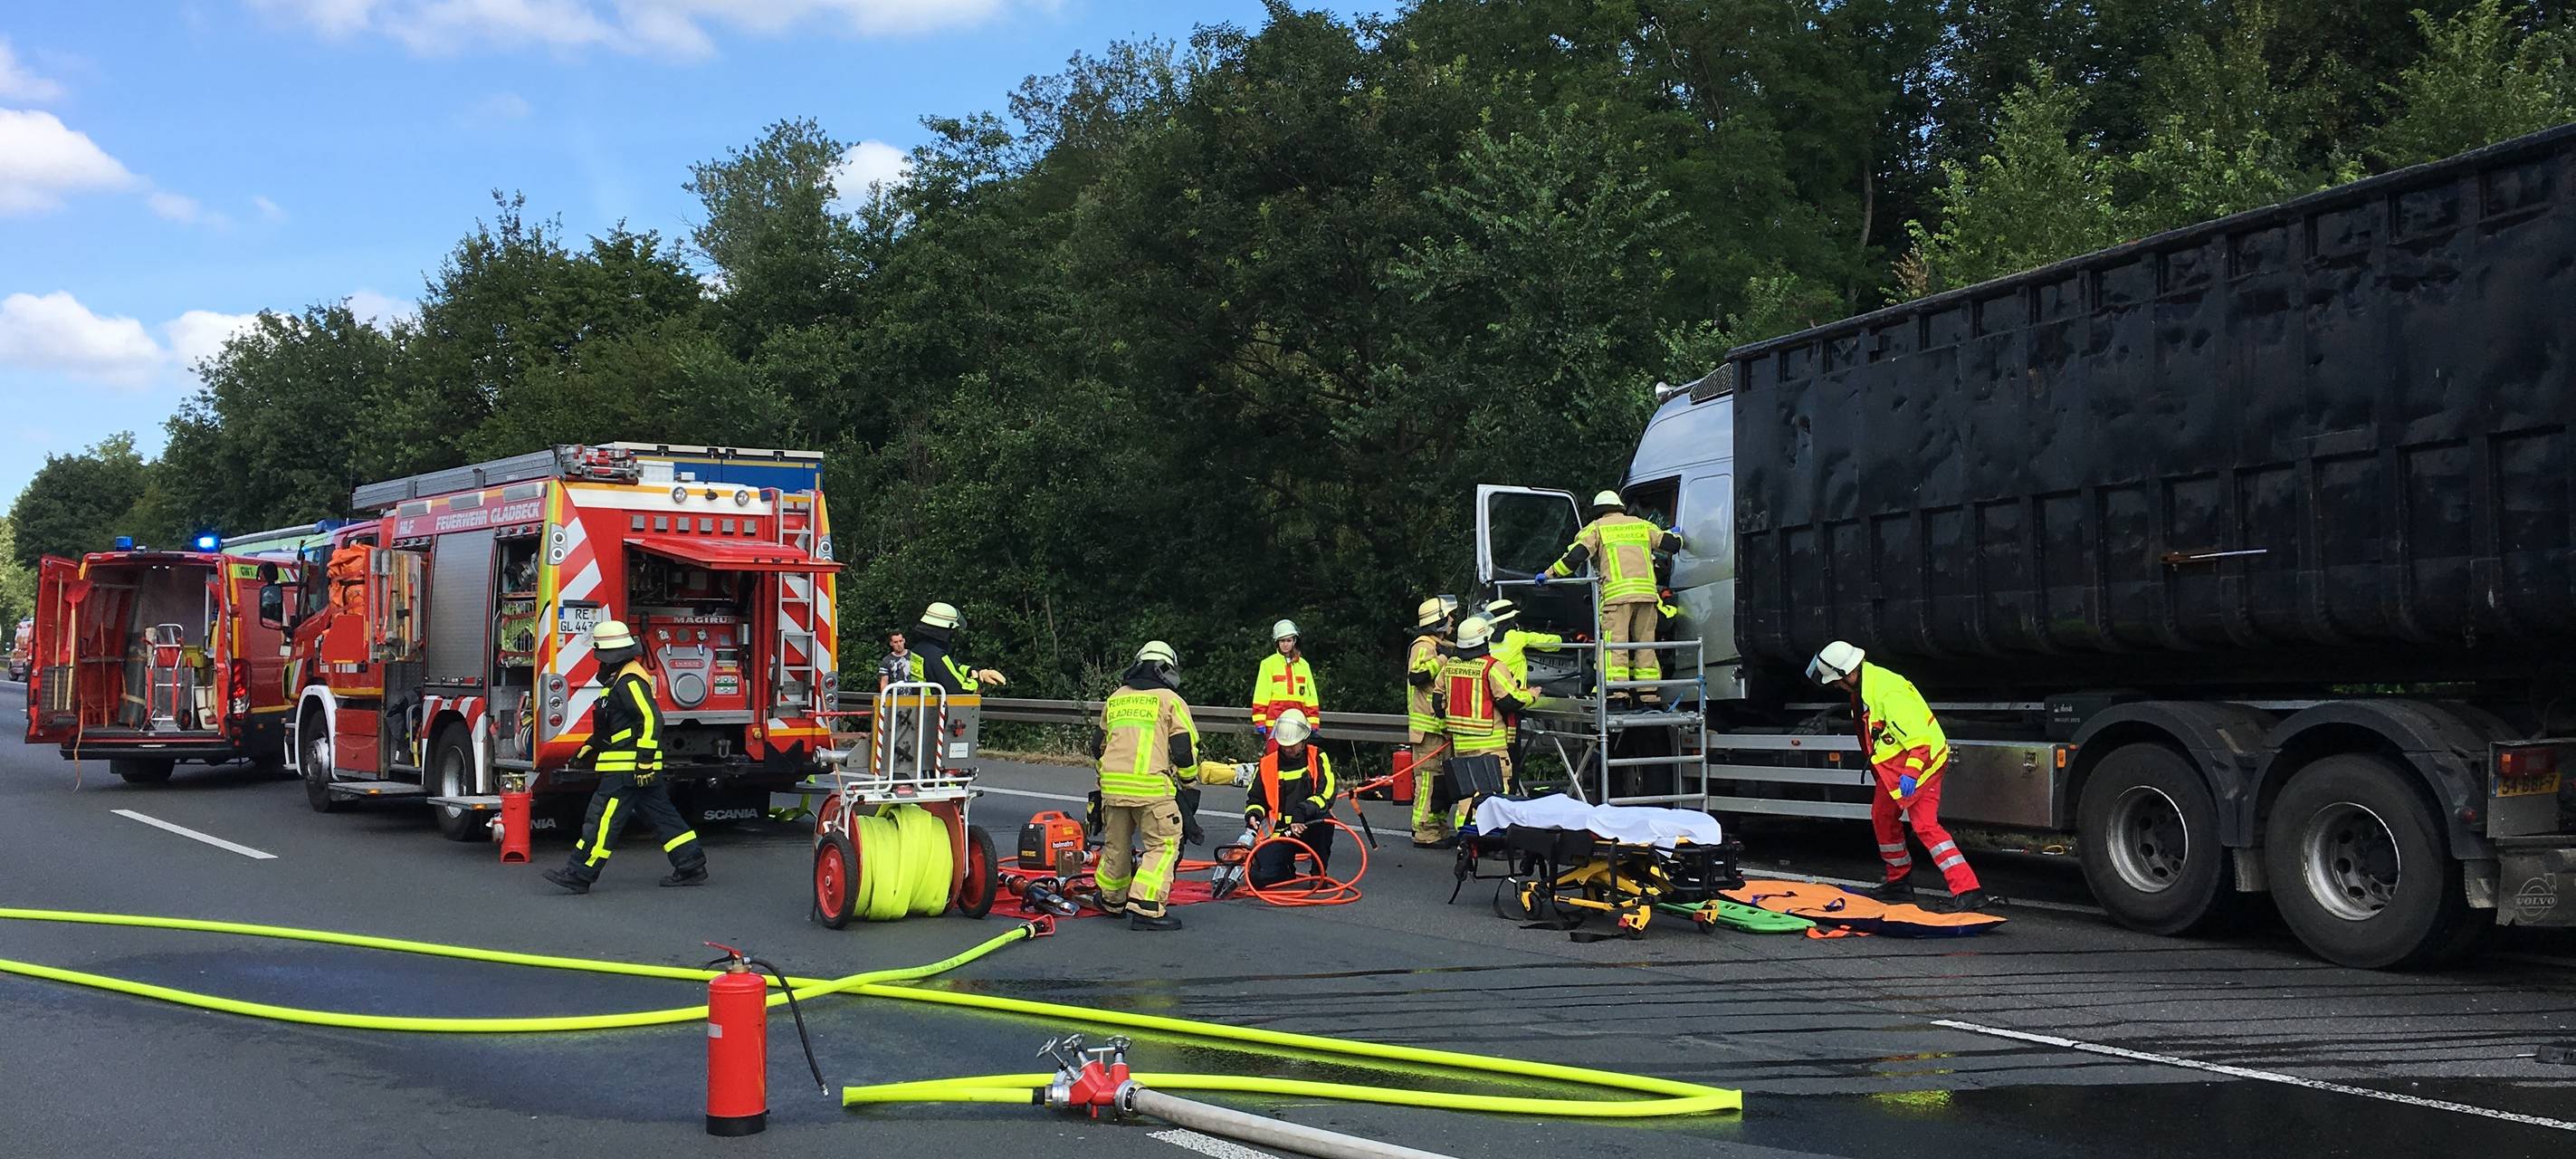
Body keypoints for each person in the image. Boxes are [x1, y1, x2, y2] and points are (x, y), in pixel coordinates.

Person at [1808, 640, 1988, 912]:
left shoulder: (1887, 692)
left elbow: (1920, 741)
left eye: (1836, 681)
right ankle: (1899, 882)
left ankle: (1968, 891)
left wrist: (1912, 774)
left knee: (1926, 826)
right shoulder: (1868, 686)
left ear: (1848, 674)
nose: (1835, 686)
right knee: (1882, 817)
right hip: (1897, 770)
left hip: (1921, 766)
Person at [544, 620, 706, 894]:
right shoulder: (620, 679)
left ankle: (580, 872)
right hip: (633, 767)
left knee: (602, 818)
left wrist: (643, 760)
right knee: (662, 816)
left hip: (628, 769)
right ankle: (690, 863)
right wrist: (586, 751)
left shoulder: (629, 681)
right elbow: (612, 729)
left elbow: (652, 719)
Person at [1091, 640, 1198, 931]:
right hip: (1151, 788)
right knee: (1163, 845)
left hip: (1112, 788)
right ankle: (1147, 905)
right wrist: (1188, 782)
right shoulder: (1169, 700)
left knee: (1117, 845)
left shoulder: (1116, 698)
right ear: (1167, 668)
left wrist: (1104, 779)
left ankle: (1112, 899)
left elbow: (1097, 744)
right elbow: (1183, 747)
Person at [1537, 491, 1683, 703]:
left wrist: (1549, 574)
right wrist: (1675, 534)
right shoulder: (1642, 525)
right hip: (1647, 596)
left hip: (1617, 597)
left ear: (1599, 511)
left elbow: (1575, 557)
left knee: (1616, 646)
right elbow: (1673, 545)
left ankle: (1618, 693)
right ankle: (1648, 693)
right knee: (1645, 645)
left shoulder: (1596, 528)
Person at [1436, 615, 1530, 832]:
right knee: (1494, 790)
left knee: (1467, 789)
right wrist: (1531, 695)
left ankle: (1466, 832)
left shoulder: (1450, 665)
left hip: (1460, 743)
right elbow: (1510, 700)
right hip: (1490, 744)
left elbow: (1438, 701)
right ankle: (1493, 836)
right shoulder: (1492, 667)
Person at [1245, 708, 1338, 888]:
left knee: (1326, 822)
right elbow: (1255, 798)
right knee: (1259, 879)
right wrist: (1253, 815)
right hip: (1279, 833)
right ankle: (1284, 870)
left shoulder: (1317, 757)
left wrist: (1301, 812)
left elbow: (1326, 793)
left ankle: (1318, 873)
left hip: (1309, 827)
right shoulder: (1267, 764)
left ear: (1304, 741)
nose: (1287, 748)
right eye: (1284, 744)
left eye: (1292, 744)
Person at [1484, 597, 1562, 774]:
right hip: (1512, 703)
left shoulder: (1483, 639)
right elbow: (1550, 643)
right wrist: (1567, 637)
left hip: (1487, 704)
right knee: (1511, 754)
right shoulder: (1517, 637)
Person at [1406, 596, 1453, 848]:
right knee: (1428, 782)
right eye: (1449, 618)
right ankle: (1424, 830)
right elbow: (1417, 675)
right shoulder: (1423, 645)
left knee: (1442, 783)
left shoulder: (1438, 645)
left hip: (1439, 730)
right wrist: (1443, 660)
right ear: (1439, 621)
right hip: (1427, 732)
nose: (1453, 621)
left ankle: (1438, 826)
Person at [1249, 618, 1320, 752]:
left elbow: (1310, 697)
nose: (1285, 644)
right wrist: (1260, 720)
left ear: (1294, 641)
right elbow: (1261, 694)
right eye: (1282, 641)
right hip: (1274, 724)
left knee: (1296, 760)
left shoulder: (1303, 665)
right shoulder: (1268, 664)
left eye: (1288, 640)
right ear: (1277, 642)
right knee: (1274, 760)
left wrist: (1313, 721)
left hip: (1297, 723)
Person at [907, 602, 1005, 694]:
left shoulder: (920, 649)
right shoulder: (936, 656)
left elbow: (953, 668)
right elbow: (960, 690)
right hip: (934, 709)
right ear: (947, 629)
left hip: (922, 706)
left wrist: (973, 671)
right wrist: (977, 680)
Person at [875, 630, 911, 694]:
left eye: (900, 641)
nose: (899, 644)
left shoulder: (914, 657)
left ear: (904, 641)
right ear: (891, 643)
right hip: (894, 699)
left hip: (913, 697)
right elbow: (884, 683)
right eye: (895, 642)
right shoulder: (886, 660)